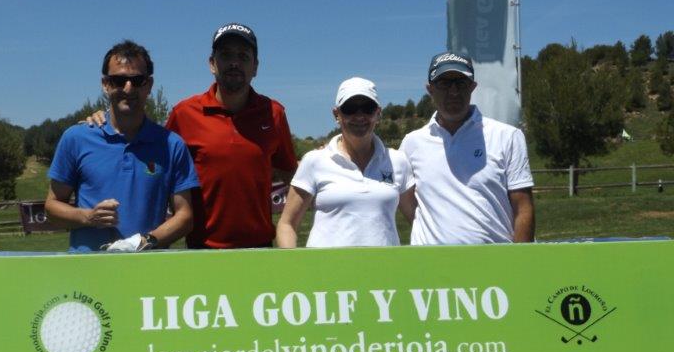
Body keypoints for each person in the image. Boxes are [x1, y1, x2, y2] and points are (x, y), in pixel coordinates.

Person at [88, 23, 298, 248]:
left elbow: (292, 175)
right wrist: (106, 119)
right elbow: (148, 148)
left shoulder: (273, 113)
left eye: (243, 56)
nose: (234, 63)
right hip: (202, 249)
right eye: (225, 55)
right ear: (212, 64)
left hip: (260, 247)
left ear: (255, 66)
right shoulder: (185, 113)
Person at [45, 40, 199, 252]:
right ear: (105, 84)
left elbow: (185, 216)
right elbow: (52, 207)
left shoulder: (171, 145)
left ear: (149, 85)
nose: (128, 88)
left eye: (137, 80)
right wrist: (88, 217)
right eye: (118, 80)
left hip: (147, 271)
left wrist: (144, 242)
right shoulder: (76, 138)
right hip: (88, 272)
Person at [399, 52, 535, 245]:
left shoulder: (508, 136)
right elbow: (407, 202)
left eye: (461, 83)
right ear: (430, 89)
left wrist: (519, 264)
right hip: (431, 268)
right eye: (444, 83)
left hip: (493, 266)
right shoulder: (411, 143)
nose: (453, 91)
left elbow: (523, 208)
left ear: (472, 87)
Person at [276, 77, 411, 248]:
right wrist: (294, 267)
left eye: (367, 109)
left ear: (378, 113)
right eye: (350, 109)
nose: (359, 116)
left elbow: (418, 219)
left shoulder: (398, 161)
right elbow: (287, 224)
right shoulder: (315, 161)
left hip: (385, 272)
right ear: (337, 115)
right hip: (326, 272)